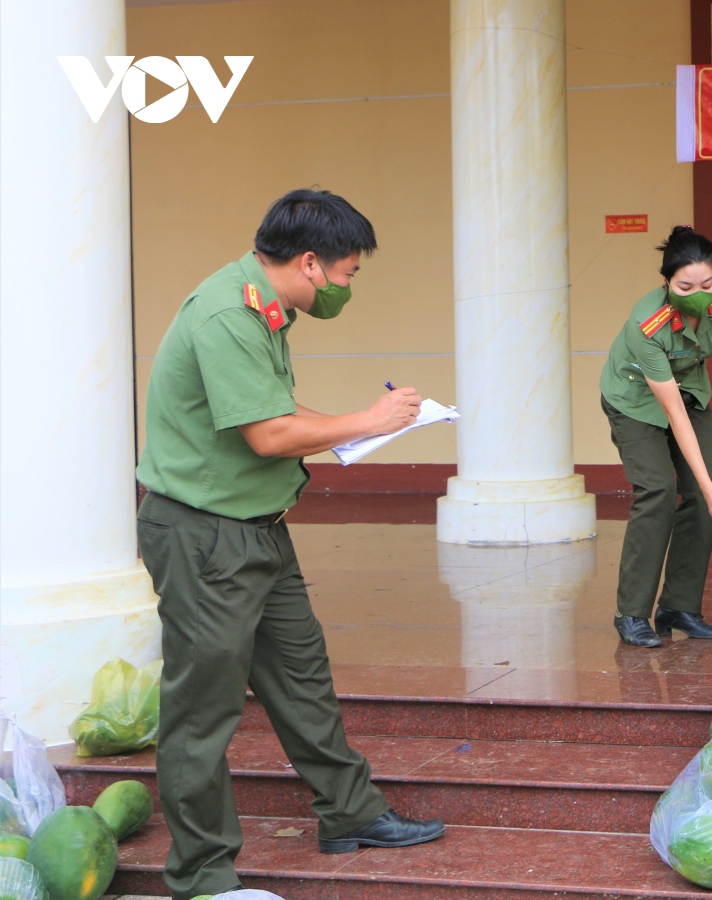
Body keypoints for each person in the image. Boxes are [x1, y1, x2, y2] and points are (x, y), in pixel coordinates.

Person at [135, 189, 444, 899]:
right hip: (205, 539)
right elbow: (269, 435)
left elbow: (275, 406)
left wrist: (362, 428)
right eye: (346, 276)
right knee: (201, 713)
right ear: (309, 262)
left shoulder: (261, 306)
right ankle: (203, 876)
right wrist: (365, 416)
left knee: (302, 679)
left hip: (257, 531)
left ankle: (351, 813)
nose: (345, 289)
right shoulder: (227, 315)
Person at [600, 226, 712, 647]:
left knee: (707, 497)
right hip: (634, 397)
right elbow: (672, 414)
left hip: (688, 388)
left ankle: (678, 606)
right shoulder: (647, 324)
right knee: (659, 489)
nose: (698, 293)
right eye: (685, 286)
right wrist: (704, 484)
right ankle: (631, 614)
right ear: (666, 282)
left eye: (707, 283)